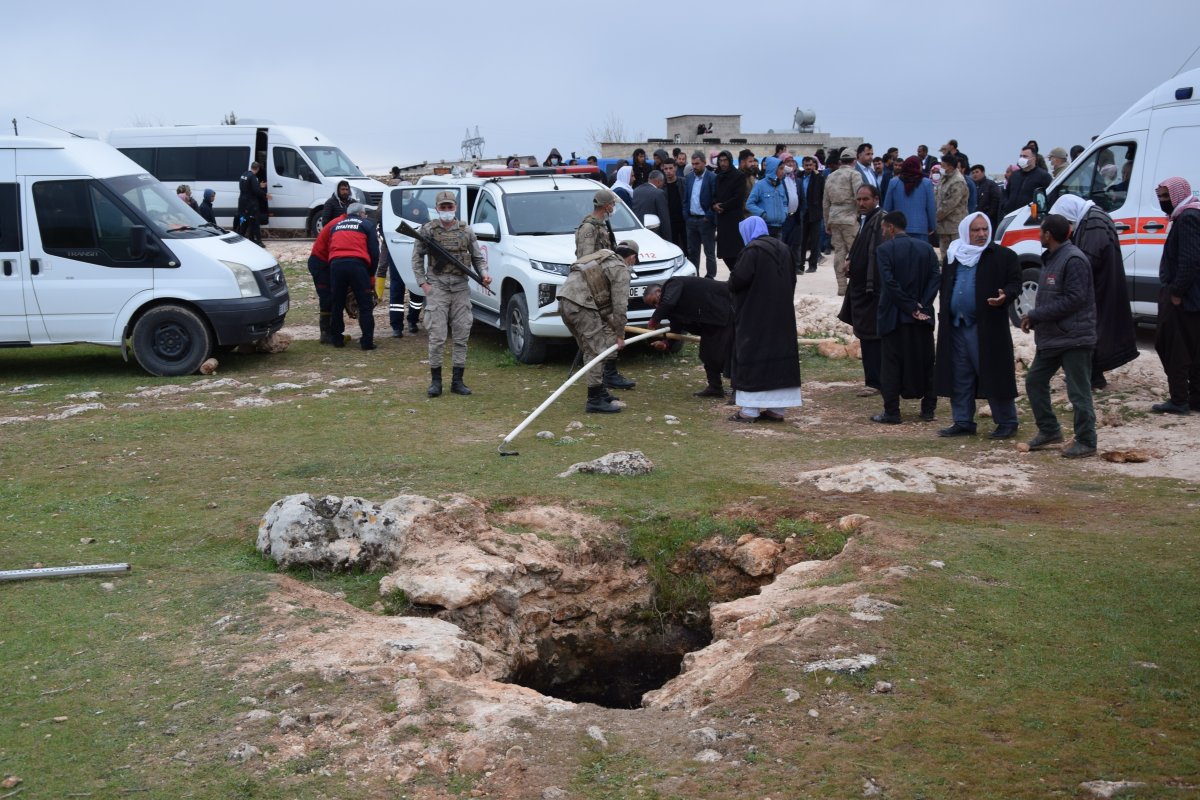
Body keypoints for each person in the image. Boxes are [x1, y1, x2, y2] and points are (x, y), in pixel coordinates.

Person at [934, 212, 1022, 438]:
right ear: (966, 232)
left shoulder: (1002, 256)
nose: (982, 234)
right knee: (960, 374)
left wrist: (1006, 296)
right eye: (976, 230)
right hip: (956, 327)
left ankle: (1006, 421)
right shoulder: (955, 255)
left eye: (985, 229)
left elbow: (1015, 282)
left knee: (993, 372)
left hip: (986, 328)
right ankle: (963, 421)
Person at [1020, 214, 1098, 458]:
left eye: (1040, 231)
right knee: (1034, 381)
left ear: (1048, 235)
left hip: (1074, 337)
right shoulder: (1052, 258)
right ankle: (1050, 430)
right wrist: (1036, 319)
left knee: (1078, 391)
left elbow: (1075, 299)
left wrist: (1036, 314)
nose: (1038, 235)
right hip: (1053, 337)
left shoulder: (1073, 259)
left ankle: (1087, 440)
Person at [1049, 195, 1138, 389]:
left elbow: (1088, 258)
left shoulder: (1094, 220)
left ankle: (1091, 377)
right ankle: (1088, 375)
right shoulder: (1092, 216)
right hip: (1102, 284)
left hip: (1100, 286)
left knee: (1093, 331)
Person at [413, 190, 492, 397]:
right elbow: (416, 259)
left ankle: (457, 381)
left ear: (455, 208)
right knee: (437, 336)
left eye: (450, 207)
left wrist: (484, 274)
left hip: (460, 287)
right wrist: (423, 284)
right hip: (437, 287)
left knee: (461, 334)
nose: (447, 211)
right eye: (443, 207)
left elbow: (477, 258)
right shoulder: (428, 231)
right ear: (437, 209)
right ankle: (436, 382)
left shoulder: (466, 231)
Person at [728, 217, 802, 422]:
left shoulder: (752, 250)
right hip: (783, 314)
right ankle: (777, 410)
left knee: (753, 355)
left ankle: (749, 411)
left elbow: (738, 280)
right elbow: (792, 279)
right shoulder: (784, 248)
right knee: (780, 357)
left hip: (756, 316)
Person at [872, 211, 940, 424]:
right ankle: (928, 410)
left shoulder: (884, 250)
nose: (883, 232)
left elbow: (889, 284)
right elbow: (935, 278)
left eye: (884, 228)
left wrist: (910, 306)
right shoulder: (926, 249)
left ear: (891, 227)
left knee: (891, 365)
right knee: (927, 363)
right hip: (922, 317)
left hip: (895, 317)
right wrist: (922, 305)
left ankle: (892, 412)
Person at [557, 240, 640, 413]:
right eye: (634, 261)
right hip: (582, 306)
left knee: (591, 348)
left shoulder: (602, 257)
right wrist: (620, 335)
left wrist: (613, 325)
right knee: (597, 352)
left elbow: (602, 303)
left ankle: (600, 391)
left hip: (565, 301)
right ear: (631, 257)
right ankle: (594, 399)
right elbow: (620, 307)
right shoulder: (620, 269)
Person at [1151, 177, 1200, 414]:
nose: (1162, 202)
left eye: (1165, 197)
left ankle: (1179, 399)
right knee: (1192, 347)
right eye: (1160, 197)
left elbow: (1189, 260)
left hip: (1184, 297)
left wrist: (1177, 292)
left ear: (1178, 195)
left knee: (1174, 346)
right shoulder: (1186, 214)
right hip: (1189, 295)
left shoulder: (1188, 217)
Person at [644, 277, 734, 397]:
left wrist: (654, 320)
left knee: (727, 354)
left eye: (655, 302)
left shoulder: (673, 284)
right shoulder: (671, 308)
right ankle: (715, 387)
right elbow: (676, 327)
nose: (656, 306)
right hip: (710, 322)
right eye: (653, 305)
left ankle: (739, 390)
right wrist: (666, 344)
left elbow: (668, 302)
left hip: (724, 312)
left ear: (659, 292)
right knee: (707, 354)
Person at [837, 184, 885, 396]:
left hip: (872, 290)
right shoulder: (868, 220)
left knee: (873, 336)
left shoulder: (881, 220)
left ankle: (876, 382)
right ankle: (873, 380)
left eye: (866, 199)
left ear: (876, 198)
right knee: (867, 335)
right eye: (859, 199)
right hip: (862, 287)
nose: (862, 203)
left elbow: (877, 255)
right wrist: (851, 261)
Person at [326, 203, 379, 351]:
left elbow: (331, 247)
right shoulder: (366, 225)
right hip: (357, 265)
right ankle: (367, 341)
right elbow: (374, 253)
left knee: (337, 303)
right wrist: (371, 275)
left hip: (336, 265)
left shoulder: (336, 226)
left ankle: (337, 339)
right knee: (365, 305)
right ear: (362, 213)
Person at [823, 149, 863, 296]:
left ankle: (841, 286)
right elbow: (860, 197)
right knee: (855, 252)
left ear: (841, 161)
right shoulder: (855, 174)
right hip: (850, 217)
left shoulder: (831, 176)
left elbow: (825, 202)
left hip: (834, 217)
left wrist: (827, 221)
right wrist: (860, 214)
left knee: (839, 252)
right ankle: (855, 284)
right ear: (854, 160)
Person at [883, 157, 936, 252]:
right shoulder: (926, 183)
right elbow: (931, 208)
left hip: (897, 229)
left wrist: (887, 227)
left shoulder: (894, 182)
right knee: (919, 260)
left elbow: (887, 208)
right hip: (920, 229)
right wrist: (932, 226)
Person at [307, 210, 343, 345]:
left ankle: (333, 331)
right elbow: (334, 250)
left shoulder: (341, 222)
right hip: (320, 263)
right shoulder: (338, 225)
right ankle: (326, 333)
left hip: (327, 262)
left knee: (333, 296)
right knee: (327, 298)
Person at [683, 150, 717, 278]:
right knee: (693, 252)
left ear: (704, 163)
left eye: (697, 164)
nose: (695, 166)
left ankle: (710, 277)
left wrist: (708, 216)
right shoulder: (689, 178)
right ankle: (694, 276)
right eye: (693, 164)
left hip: (705, 221)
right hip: (691, 220)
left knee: (709, 252)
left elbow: (715, 198)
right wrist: (686, 216)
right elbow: (685, 199)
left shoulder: (712, 178)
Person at [713, 150, 747, 270]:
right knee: (725, 253)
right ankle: (735, 275)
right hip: (722, 219)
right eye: (720, 161)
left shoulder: (739, 176)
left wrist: (722, 206)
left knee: (736, 252)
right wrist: (714, 205)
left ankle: (738, 276)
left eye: (725, 160)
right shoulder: (718, 177)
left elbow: (738, 198)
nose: (723, 163)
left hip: (734, 219)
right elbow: (714, 195)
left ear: (730, 160)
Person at [935, 152, 969, 262]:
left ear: (950, 166)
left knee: (956, 257)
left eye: (943, 165)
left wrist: (934, 217)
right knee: (945, 257)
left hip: (954, 227)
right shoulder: (944, 178)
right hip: (944, 226)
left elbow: (948, 205)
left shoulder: (958, 181)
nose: (941, 168)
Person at [745, 156, 789, 238]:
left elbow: (785, 202)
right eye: (781, 169)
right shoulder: (760, 185)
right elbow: (749, 204)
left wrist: (785, 213)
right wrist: (762, 214)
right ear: (773, 169)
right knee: (766, 250)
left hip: (779, 227)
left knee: (777, 250)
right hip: (765, 227)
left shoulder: (781, 185)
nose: (783, 172)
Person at [1002, 146, 1052, 215]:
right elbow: (1006, 194)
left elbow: (1048, 198)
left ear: (1033, 159)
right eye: (1021, 156)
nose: (1022, 158)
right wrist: (1006, 205)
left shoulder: (1043, 176)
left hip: (1029, 217)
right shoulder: (1015, 175)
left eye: (1025, 156)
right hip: (1011, 215)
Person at [778, 155, 807, 271]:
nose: (791, 164)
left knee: (796, 243)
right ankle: (783, 266)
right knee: (783, 243)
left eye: (792, 162)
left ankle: (795, 266)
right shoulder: (780, 180)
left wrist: (802, 213)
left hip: (796, 217)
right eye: (788, 162)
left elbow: (803, 199)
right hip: (784, 217)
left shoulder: (798, 180)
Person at [798, 156, 826, 274]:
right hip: (802, 213)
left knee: (814, 241)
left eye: (811, 165)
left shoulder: (819, 178)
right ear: (803, 166)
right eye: (806, 165)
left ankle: (813, 265)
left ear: (814, 165)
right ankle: (800, 265)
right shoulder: (799, 176)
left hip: (815, 213)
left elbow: (823, 195)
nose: (808, 167)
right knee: (802, 240)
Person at [632, 169, 671, 243]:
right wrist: (668, 239)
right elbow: (664, 218)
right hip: (654, 233)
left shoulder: (636, 190)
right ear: (659, 181)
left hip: (638, 232)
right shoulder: (659, 193)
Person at [576, 188, 618, 259]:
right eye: (613, 204)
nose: (614, 207)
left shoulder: (601, 224)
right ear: (607, 206)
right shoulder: (588, 227)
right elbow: (585, 259)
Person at [237, 161, 270, 245]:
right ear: (258, 169)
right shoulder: (253, 177)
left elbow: (247, 186)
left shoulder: (244, 174)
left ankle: (244, 239)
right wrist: (265, 195)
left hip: (242, 202)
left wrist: (258, 184)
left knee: (245, 221)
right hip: (251, 203)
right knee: (255, 222)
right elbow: (256, 191)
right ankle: (259, 242)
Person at [660, 161, 689, 253]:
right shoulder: (662, 186)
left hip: (684, 220)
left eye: (670, 168)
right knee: (673, 248)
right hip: (670, 221)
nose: (668, 171)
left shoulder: (683, 182)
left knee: (688, 247)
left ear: (675, 168)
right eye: (666, 169)